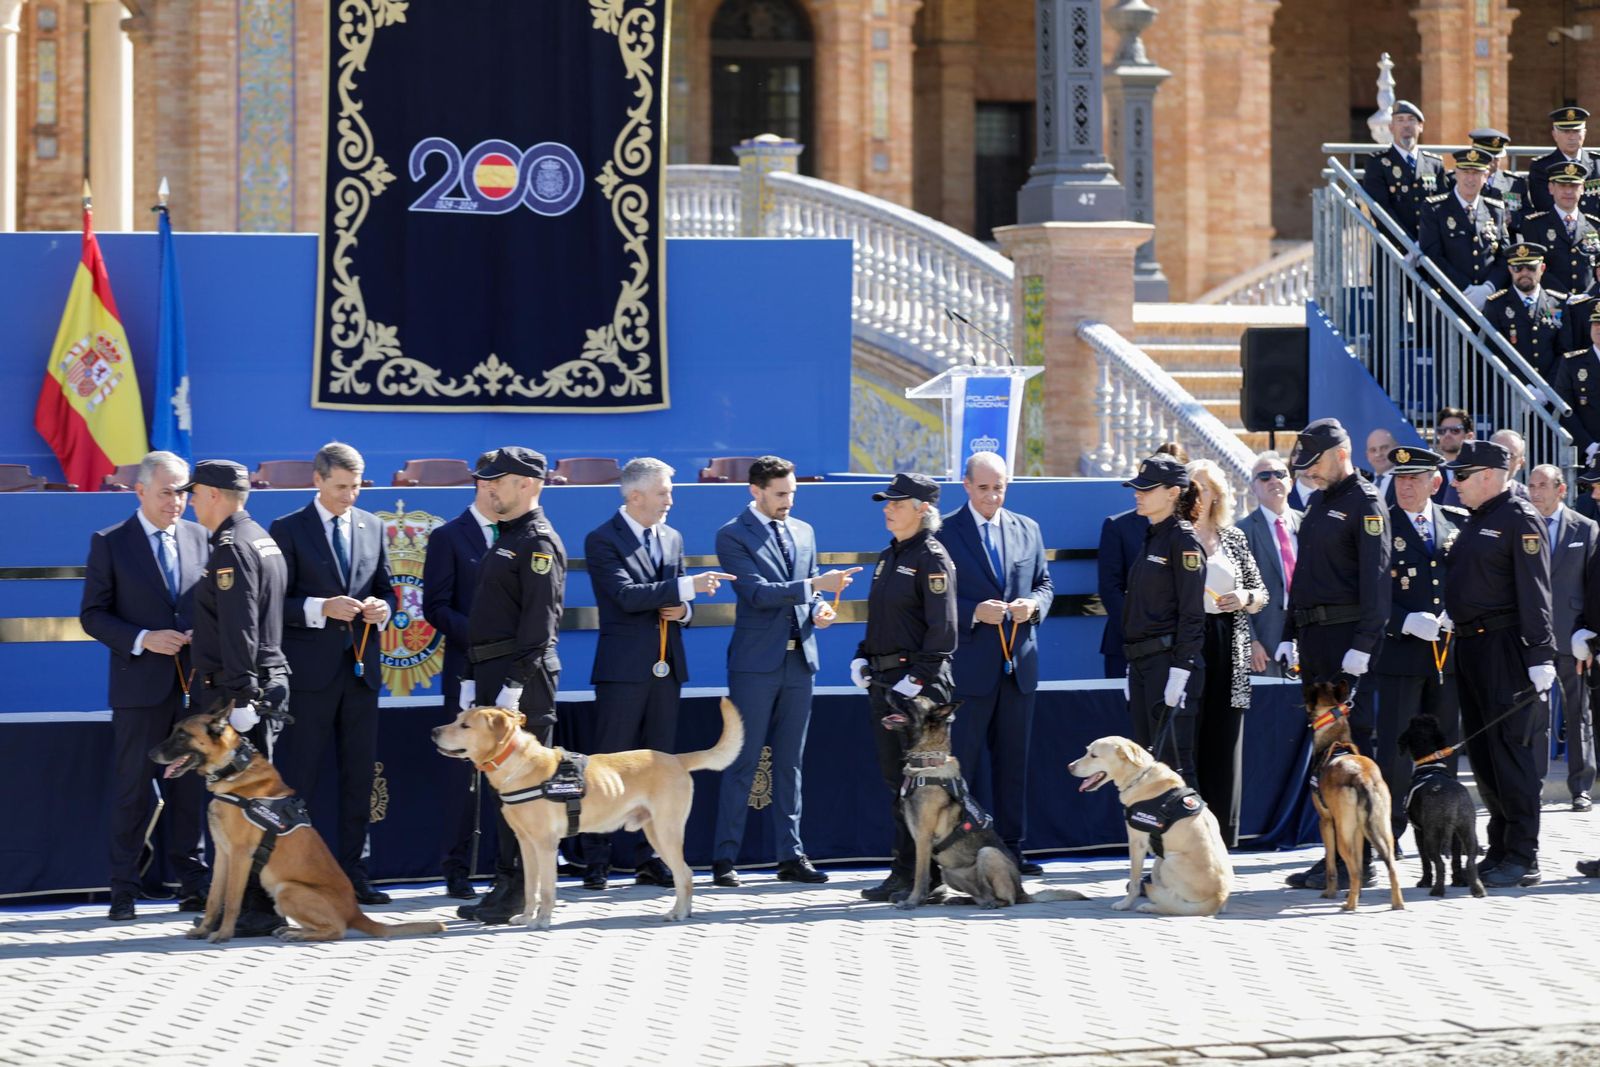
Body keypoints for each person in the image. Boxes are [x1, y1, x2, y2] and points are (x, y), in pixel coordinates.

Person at [582, 457, 734, 891]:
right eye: (664, 491)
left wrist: (685, 609)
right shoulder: (602, 540)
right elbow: (625, 596)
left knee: (659, 767)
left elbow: (677, 604)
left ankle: (650, 859)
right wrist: (686, 589)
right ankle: (597, 860)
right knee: (607, 766)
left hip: (666, 671)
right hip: (623, 672)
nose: (671, 499)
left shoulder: (671, 537)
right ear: (635, 495)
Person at [710, 455, 858, 888]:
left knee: (790, 764)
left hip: (800, 662)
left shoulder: (804, 532)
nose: (788, 501)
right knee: (743, 760)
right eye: (780, 494)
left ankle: (790, 856)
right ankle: (724, 859)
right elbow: (756, 593)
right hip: (755, 666)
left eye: (792, 492)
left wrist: (823, 608)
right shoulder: (732, 535)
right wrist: (814, 587)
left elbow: (808, 591)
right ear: (755, 491)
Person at [79, 451, 211, 921]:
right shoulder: (111, 543)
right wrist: (143, 639)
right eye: (167, 493)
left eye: (182, 492)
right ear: (140, 491)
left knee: (191, 788)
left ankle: (193, 882)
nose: (177, 502)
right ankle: (124, 887)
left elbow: (209, 605)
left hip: (193, 688)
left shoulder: (201, 538)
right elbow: (92, 615)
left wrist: (204, 634)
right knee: (134, 789)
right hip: (140, 689)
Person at [269, 443, 396, 907]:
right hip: (309, 677)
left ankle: (353, 875)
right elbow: (272, 605)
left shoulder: (373, 526)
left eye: (357, 486)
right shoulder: (287, 530)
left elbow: (386, 589)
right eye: (341, 486)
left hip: (361, 674)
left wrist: (384, 608)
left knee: (358, 778)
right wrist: (320, 607)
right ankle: (295, 874)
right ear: (317, 480)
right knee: (300, 777)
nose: (350, 495)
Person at [1276, 418, 1391, 890]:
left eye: (1315, 464)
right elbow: (1303, 575)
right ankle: (1336, 856)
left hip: (1346, 643)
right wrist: (1287, 631)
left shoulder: (1366, 503)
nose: (1310, 474)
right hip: (1316, 640)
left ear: (1340, 454)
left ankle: (1356, 861)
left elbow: (1377, 581)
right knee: (1326, 754)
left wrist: (1364, 645)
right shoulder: (1324, 502)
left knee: (1349, 752)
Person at [458, 446, 567, 924]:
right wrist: (471, 679)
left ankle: (518, 890)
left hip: (518, 683)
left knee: (523, 790)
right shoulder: (509, 536)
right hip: (492, 676)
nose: (489, 486)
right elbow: (487, 617)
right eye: (486, 479)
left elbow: (539, 624)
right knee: (505, 789)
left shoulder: (537, 541)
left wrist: (513, 688)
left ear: (528, 484)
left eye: (498, 480)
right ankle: (506, 884)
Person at [183, 458, 289, 937]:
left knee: (246, 806)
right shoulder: (260, 538)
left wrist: (241, 695)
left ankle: (253, 909)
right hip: (261, 680)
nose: (189, 503)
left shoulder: (230, 546)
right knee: (254, 802)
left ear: (212, 494)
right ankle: (253, 906)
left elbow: (240, 624)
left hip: (237, 691)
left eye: (193, 493)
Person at [1443, 440, 1556, 889]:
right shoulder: (1478, 519)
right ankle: (1500, 846)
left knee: (1511, 753)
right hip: (1472, 646)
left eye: (1462, 476)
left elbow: (1536, 592)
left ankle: (1524, 854)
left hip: (1506, 647)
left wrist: (1541, 654)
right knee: (1487, 758)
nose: (1455, 484)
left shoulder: (1518, 518)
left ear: (1489, 475)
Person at [940, 451, 1055, 874]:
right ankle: (962, 851)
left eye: (999, 487)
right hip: (970, 670)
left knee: (1013, 763)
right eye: (984, 488)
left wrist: (1034, 606)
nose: (992, 496)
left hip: (1018, 667)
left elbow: (1045, 584)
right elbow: (935, 597)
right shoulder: (945, 532)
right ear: (966, 485)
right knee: (964, 765)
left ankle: (1012, 848)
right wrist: (972, 611)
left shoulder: (1028, 529)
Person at [850, 472, 958, 903]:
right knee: (897, 781)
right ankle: (905, 872)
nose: (887, 509)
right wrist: (863, 656)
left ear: (923, 509)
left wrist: (914, 683)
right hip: (887, 682)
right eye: (887, 502)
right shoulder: (888, 556)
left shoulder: (932, 558)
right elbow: (883, 621)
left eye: (897, 502)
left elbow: (943, 632)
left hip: (920, 690)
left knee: (923, 785)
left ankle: (928, 878)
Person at [1371, 446, 1464, 846]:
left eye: (1415, 479)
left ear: (1435, 482)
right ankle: (1389, 830)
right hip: (1400, 655)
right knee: (1395, 748)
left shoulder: (1454, 523)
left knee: (1443, 748)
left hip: (1445, 657)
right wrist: (1404, 620)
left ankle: (1441, 831)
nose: (1405, 486)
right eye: (1400, 479)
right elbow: (1369, 593)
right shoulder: (1382, 526)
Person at [419, 452, 498, 903]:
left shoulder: (522, 534)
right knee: (462, 775)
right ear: (483, 484)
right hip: (466, 668)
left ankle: (507, 864)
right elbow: (436, 607)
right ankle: (457, 866)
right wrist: (483, 638)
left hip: (510, 671)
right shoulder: (449, 536)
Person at [1184, 460, 1268, 848]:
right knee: (1191, 737)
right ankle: (1188, 831)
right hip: (1190, 640)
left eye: (1201, 487)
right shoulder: (1175, 536)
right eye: (1189, 487)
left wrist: (1244, 597)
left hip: (1230, 641)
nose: (1195, 495)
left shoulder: (1233, 538)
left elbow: (1260, 593)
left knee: (1225, 738)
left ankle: (1222, 835)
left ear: (1216, 493)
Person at [1117, 455, 1206, 783]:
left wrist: (1181, 671)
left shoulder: (1183, 541)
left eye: (1147, 489)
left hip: (1167, 664)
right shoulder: (1152, 535)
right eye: (1137, 488)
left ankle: (1193, 834)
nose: (1138, 494)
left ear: (1173, 492)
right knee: (1147, 766)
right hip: (1144, 664)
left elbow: (1192, 612)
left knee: (1173, 767)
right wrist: (1133, 662)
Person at [1529, 463, 1598, 811]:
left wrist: (1588, 632)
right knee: (1537, 712)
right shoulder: (1523, 525)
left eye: (1542, 485)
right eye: (1531, 484)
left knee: (1578, 712)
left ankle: (1581, 786)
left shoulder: (1585, 528)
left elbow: (1592, 584)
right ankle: (1534, 782)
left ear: (1561, 489)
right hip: (1535, 637)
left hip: (1572, 634)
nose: (1535, 491)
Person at [1098, 441, 1187, 678]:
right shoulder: (1118, 526)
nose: (1139, 493)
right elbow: (1109, 587)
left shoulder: (1189, 533)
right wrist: (1136, 628)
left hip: (1176, 648)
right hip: (1125, 644)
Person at [1419, 148, 1511, 312]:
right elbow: (1433, 255)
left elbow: (1504, 256)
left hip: (1489, 301)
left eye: (1476, 172)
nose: (1470, 178)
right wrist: (1465, 289)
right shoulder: (1435, 208)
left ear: (1486, 176)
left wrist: (1488, 288)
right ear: (1456, 174)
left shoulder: (1495, 210)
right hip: (1449, 299)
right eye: (1465, 172)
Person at [1241, 451, 1300, 679]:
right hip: (1264, 643)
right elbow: (1237, 592)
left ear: (1290, 482)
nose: (1274, 480)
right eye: (1264, 476)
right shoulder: (1242, 531)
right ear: (1253, 488)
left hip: (1307, 635)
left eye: (1280, 474)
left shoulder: (1308, 524)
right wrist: (1251, 641)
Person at [1480, 244, 1569, 382]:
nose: (1524, 273)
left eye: (1531, 268)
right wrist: (1523, 388)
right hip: (1510, 391)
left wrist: (1546, 390)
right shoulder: (1496, 305)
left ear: (1542, 268)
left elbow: (1563, 352)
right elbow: (1493, 353)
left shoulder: (1556, 304)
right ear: (1510, 270)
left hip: (1551, 394)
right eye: (1518, 268)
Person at [1361, 101, 1444, 241]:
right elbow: (1381, 210)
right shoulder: (1377, 163)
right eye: (1400, 120)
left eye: (1411, 120)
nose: (1406, 125)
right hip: (1393, 249)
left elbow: (1442, 207)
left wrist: (1428, 243)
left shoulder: (1434, 164)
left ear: (1421, 126)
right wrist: (1408, 245)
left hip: (1428, 250)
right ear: (1391, 127)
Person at [1514, 163, 1600, 297]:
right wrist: (1566, 296)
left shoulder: (1594, 225)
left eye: (1573, 186)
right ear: (1551, 188)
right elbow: (1537, 268)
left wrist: (1589, 295)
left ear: (1582, 188)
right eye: (1562, 186)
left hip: (1589, 305)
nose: (1568, 191)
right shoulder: (1535, 225)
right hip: (1553, 303)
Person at [1525, 106, 1600, 216]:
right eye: (1566, 131)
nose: (1571, 137)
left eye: (1576, 131)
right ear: (1555, 135)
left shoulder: (1597, 164)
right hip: (1556, 230)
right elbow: (1544, 205)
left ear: (1584, 133)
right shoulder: (1541, 167)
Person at [1555, 303, 1600, 463]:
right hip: (1586, 455)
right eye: (1595, 323)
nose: (1598, 328)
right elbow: (1565, 410)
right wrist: (1590, 447)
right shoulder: (1572, 363)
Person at [1471, 127, 1530, 216]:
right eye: (1487, 157)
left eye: (1496, 158)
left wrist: (1511, 219)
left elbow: (1527, 216)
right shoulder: (1457, 180)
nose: (1491, 162)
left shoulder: (1514, 183)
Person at [1432, 407, 1475, 507]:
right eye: (1442, 431)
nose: (1447, 434)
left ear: (1469, 436)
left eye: (1455, 430)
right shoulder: (1430, 472)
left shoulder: (1479, 471)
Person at [1363, 427, 1399, 504]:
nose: (1378, 454)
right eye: (1373, 450)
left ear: (1396, 449)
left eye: (1384, 448)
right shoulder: (1362, 483)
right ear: (1367, 455)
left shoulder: (1405, 481)